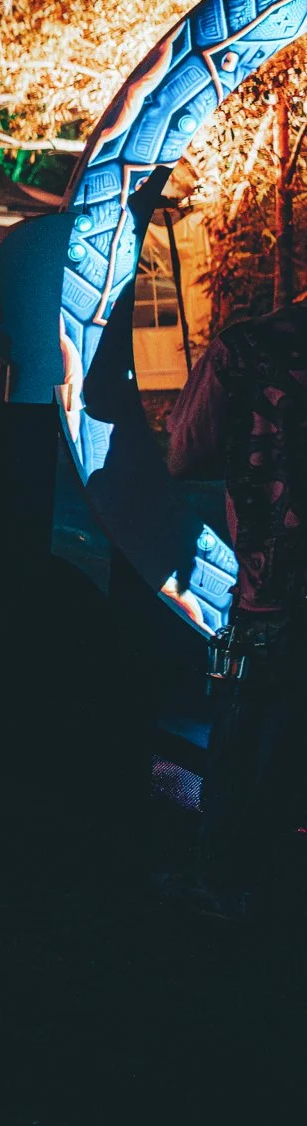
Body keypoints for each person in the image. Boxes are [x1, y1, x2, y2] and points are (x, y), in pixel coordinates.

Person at [165, 294, 307, 920]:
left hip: (273, 590)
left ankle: (226, 885)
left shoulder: (245, 348)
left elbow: (185, 454)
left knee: (249, 743)